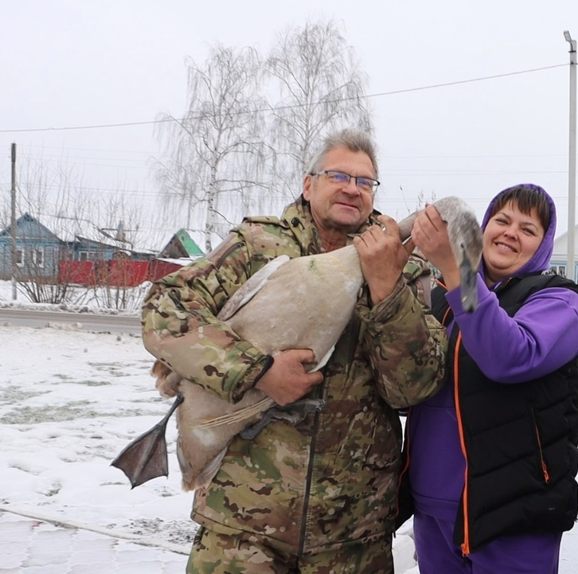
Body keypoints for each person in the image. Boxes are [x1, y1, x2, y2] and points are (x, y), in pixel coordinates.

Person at [141, 129, 448, 573]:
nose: (352, 189)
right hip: (241, 522)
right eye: (338, 175)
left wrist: (386, 290)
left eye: (365, 182)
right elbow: (164, 310)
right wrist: (256, 370)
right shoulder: (257, 247)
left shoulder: (403, 265)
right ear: (309, 184)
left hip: (352, 533)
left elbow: (413, 389)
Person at [399, 183, 578, 573]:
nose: (510, 232)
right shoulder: (442, 297)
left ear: (543, 245)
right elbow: (407, 383)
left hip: (514, 512)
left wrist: (459, 270)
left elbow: (508, 356)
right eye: (502, 220)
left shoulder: (559, 301)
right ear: (484, 228)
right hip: (434, 506)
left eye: (528, 229)